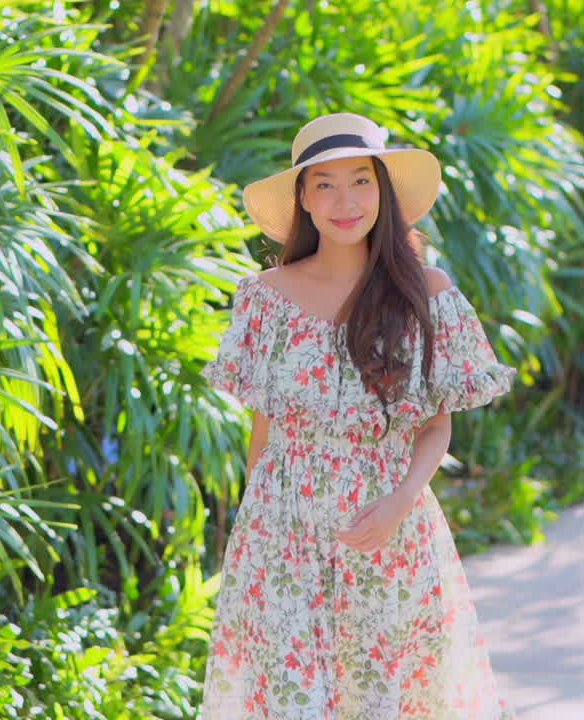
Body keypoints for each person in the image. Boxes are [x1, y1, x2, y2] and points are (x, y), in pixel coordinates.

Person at [199, 113, 518, 719]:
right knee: (292, 702)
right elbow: (264, 428)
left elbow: (434, 425)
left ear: (384, 193)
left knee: (383, 701)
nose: (345, 200)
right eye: (324, 184)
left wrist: (399, 502)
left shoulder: (426, 292)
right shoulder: (265, 297)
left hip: (389, 532)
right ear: (303, 199)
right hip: (282, 535)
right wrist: (256, 532)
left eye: (361, 181)